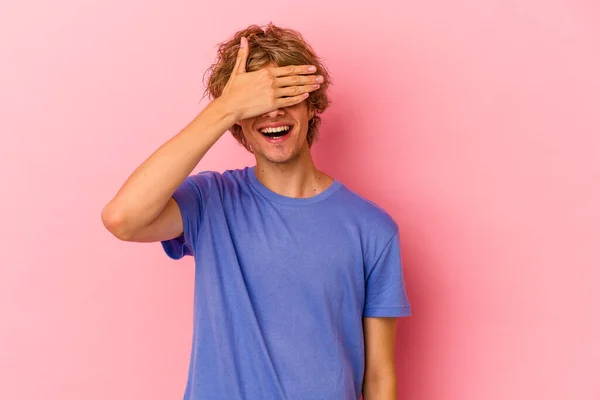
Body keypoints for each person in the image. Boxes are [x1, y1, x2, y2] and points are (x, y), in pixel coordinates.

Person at [102, 23, 411, 400]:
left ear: (312, 105)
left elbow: (379, 377)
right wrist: (227, 106)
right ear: (238, 122)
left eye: (287, 95)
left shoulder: (372, 229)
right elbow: (123, 218)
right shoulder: (210, 201)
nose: (273, 113)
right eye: (257, 103)